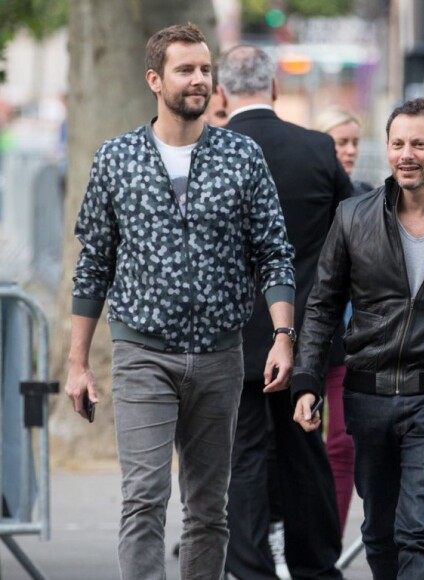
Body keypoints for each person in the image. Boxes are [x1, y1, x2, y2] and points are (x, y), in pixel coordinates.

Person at [64, 23, 296, 580]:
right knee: (144, 496)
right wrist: (77, 363)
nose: (199, 80)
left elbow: (274, 251)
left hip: (220, 356)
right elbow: (94, 261)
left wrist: (284, 335)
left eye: (205, 70)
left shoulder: (242, 157)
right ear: (154, 79)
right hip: (143, 354)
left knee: (208, 509)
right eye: (185, 70)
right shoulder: (116, 159)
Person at [292, 97, 424, 580]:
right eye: (397, 143)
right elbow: (322, 306)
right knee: (380, 534)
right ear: (386, 149)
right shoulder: (351, 217)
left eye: (420, 145)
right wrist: (307, 381)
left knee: (419, 531)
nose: (407, 154)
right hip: (369, 392)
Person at [216, 45, 352, 580]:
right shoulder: (317, 149)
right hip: (304, 336)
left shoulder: (212, 152)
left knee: (244, 457)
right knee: (304, 451)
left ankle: (250, 570)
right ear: (273, 87)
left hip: (232, 337)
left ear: (223, 94)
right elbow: (351, 229)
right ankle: (315, 567)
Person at [313, 105, 374, 538]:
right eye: (340, 142)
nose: (349, 150)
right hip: (314, 335)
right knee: (300, 441)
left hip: (357, 341)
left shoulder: (368, 196)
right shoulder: (309, 199)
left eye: (354, 141)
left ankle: (329, 539)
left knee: (343, 442)